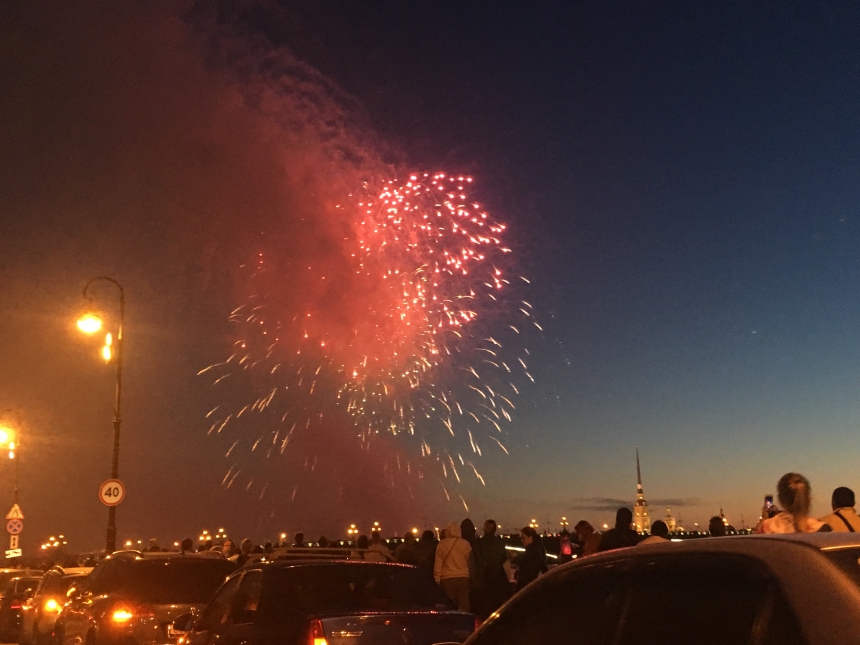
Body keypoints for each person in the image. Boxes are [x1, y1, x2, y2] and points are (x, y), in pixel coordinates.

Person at [756, 472, 828, 533]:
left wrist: (764, 518)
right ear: (809, 498)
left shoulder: (766, 528)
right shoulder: (823, 529)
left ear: (780, 499)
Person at [434, 522, 473, 611]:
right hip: (464, 577)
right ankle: (464, 622)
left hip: (447, 578)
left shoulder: (442, 544)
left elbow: (438, 564)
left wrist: (437, 580)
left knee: (449, 605)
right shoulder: (466, 543)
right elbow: (470, 562)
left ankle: (451, 623)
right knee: (464, 604)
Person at [476, 519, 509, 616]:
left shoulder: (480, 542)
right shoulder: (499, 541)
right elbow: (503, 557)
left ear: (485, 528)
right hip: (499, 574)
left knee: (487, 603)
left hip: (487, 575)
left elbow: (478, 559)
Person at [514, 526, 547, 591]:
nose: (521, 540)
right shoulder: (538, 549)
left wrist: (516, 558)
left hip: (527, 588)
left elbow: (527, 570)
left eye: (523, 538)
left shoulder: (532, 552)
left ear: (530, 538)